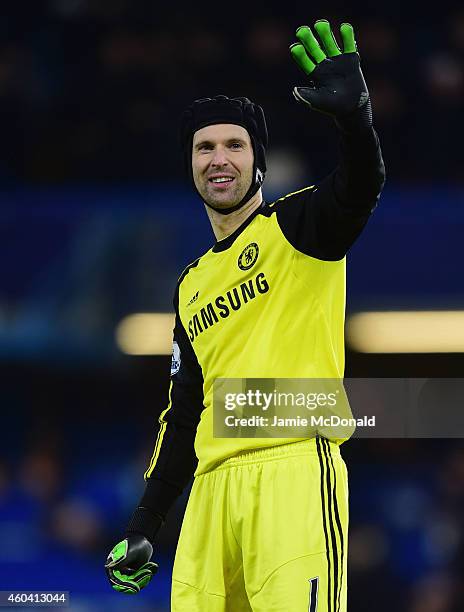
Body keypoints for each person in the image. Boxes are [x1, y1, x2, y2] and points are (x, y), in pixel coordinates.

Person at [105, 19, 386, 611]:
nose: (219, 158)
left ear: (258, 159)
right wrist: (145, 523)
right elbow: (183, 415)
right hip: (210, 494)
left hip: (292, 471)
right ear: (191, 165)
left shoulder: (298, 228)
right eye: (204, 147)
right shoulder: (190, 287)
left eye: (235, 144)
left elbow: (360, 187)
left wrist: (356, 120)